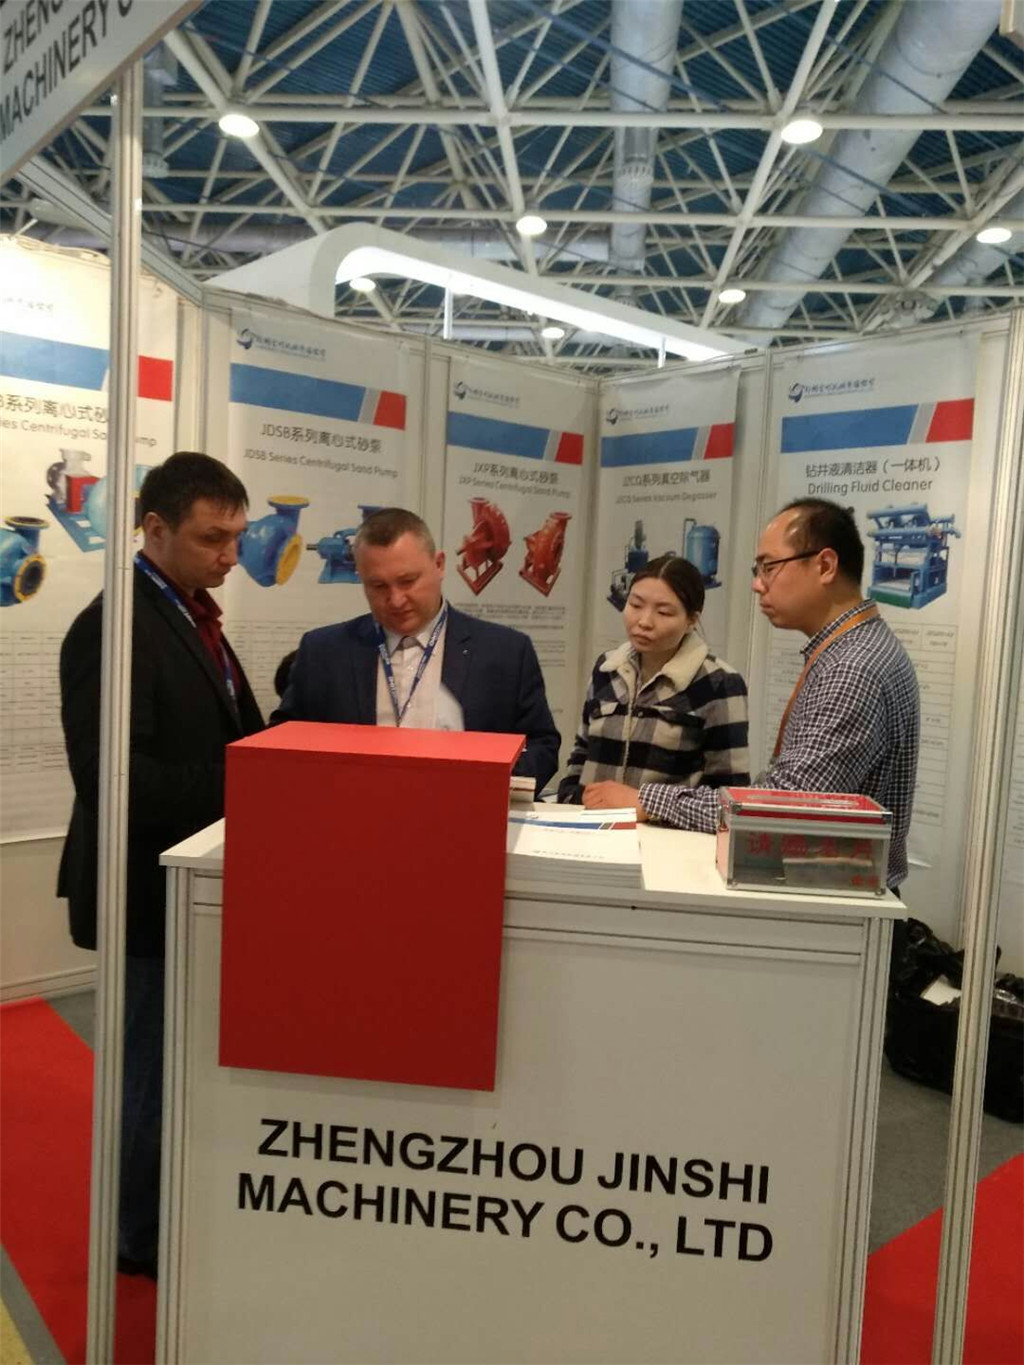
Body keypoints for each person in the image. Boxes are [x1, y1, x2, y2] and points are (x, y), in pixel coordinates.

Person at [58, 452, 263, 1277]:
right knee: (147, 1073)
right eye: (213, 538)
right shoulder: (113, 626)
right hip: (143, 894)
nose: (231, 555)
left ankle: (162, 1213)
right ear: (153, 528)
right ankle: (138, 1236)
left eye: (237, 536)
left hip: (189, 888)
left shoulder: (189, 613)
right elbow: (115, 781)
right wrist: (252, 780)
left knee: (174, 1067)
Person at [587, 499, 919, 891]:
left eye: (769, 567)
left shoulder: (852, 668)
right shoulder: (849, 652)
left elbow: (784, 806)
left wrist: (646, 800)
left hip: (835, 897)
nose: (757, 583)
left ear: (825, 566)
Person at [273, 507, 560, 792]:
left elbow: (542, 747)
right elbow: (280, 744)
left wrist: (485, 783)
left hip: (463, 811)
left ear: (439, 565)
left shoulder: (505, 652)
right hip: (352, 810)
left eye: (408, 581)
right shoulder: (324, 652)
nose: (396, 600)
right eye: (378, 586)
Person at [558, 554, 749, 804]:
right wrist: (571, 796)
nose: (644, 622)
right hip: (591, 822)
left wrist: (648, 804)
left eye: (664, 612)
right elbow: (582, 753)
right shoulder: (608, 667)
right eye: (635, 605)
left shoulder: (719, 683)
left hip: (661, 828)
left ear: (691, 620)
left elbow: (730, 796)